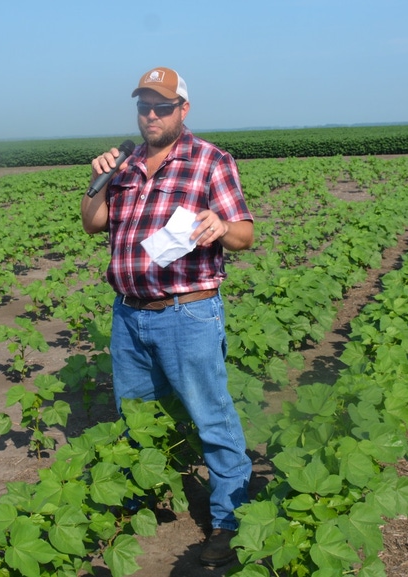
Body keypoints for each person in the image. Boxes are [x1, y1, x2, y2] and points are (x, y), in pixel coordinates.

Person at [80, 66, 254, 568]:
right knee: (136, 421)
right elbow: (93, 225)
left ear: (183, 109)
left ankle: (228, 520)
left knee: (212, 418)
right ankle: (138, 502)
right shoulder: (127, 164)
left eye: (161, 106)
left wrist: (220, 225)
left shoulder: (209, 162)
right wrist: (98, 180)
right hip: (129, 316)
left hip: (187, 314)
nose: (151, 115)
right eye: (144, 106)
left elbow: (246, 234)